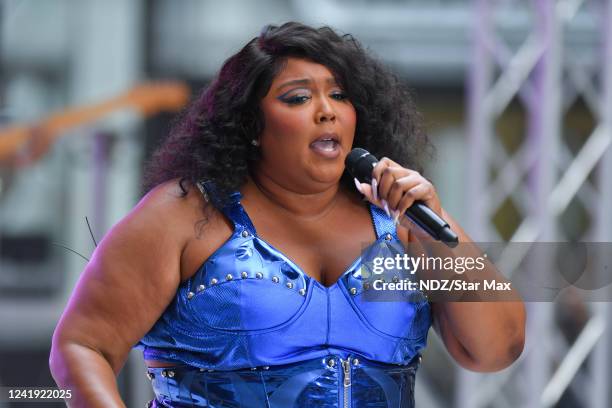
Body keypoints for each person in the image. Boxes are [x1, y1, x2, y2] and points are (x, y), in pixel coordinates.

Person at [49, 22, 526, 407]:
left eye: (339, 96)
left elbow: (496, 350)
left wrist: (436, 232)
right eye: (298, 98)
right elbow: (82, 346)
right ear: (252, 125)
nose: (327, 111)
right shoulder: (186, 214)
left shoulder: (404, 222)